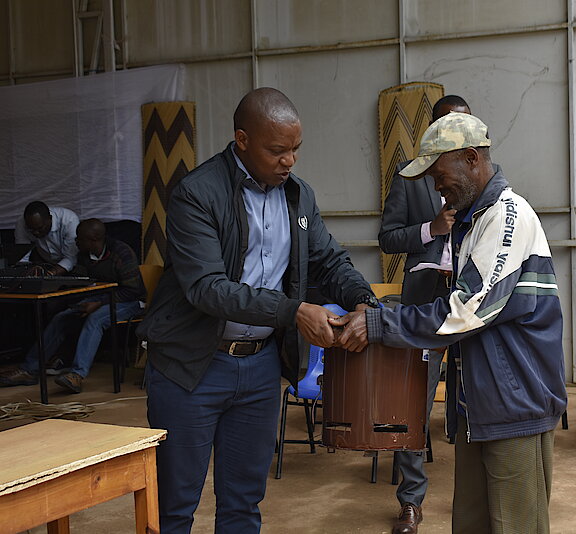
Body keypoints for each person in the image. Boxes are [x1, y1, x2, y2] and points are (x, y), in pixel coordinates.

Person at [137, 87, 378, 534]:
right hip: (191, 367)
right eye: (277, 150)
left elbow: (330, 261)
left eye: (296, 149)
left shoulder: (298, 197)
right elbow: (207, 288)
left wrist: (364, 302)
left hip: (260, 369)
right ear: (242, 140)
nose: (289, 161)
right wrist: (293, 311)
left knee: (244, 503)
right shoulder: (196, 193)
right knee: (174, 504)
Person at [334, 112, 567, 534]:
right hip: (481, 405)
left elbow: (465, 311)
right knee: (472, 524)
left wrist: (380, 322)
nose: (436, 187)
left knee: (517, 526)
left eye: (439, 175)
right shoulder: (473, 220)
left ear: (472, 158)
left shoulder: (507, 217)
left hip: (515, 406)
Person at [378, 94, 475, 534]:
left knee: (481, 392)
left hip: (472, 300)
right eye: (448, 124)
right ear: (432, 130)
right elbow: (387, 238)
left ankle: (483, 491)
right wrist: (430, 229)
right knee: (413, 399)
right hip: (424, 300)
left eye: (465, 124)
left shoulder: (481, 179)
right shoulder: (410, 177)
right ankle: (411, 502)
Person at [0, 218, 146, 393]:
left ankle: (77, 374)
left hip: (130, 302)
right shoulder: (84, 255)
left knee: (95, 319)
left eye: (80, 238)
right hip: (100, 298)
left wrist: (99, 303)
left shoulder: (121, 253)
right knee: (61, 318)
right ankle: (29, 370)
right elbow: (85, 282)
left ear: (93, 240)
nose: (76, 241)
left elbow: (133, 290)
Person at [14, 201, 79, 275]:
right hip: (43, 261)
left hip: (71, 266)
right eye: (31, 229)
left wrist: (49, 274)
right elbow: (22, 256)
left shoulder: (69, 220)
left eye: (40, 228)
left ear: (50, 218)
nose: (36, 232)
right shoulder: (22, 223)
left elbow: (70, 258)